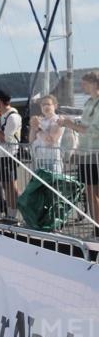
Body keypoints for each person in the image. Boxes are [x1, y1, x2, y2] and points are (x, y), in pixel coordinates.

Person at [60, 70, 99, 235]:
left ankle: (97, 228)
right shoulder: (89, 102)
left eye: (85, 83)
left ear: (95, 84)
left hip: (94, 153)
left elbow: (94, 130)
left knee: (92, 191)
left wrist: (69, 124)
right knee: (90, 191)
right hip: (86, 153)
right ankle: (96, 226)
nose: (82, 85)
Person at [0, 90, 23, 224]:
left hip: (9, 155)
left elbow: (6, 138)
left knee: (11, 186)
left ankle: (13, 215)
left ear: (1, 101)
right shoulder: (2, 116)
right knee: (5, 185)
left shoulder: (13, 116)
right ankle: (10, 213)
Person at [29, 95, 65, 174]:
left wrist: (38, 128)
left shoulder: (59, 120)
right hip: (38, 160)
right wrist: (33, 126)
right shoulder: (40, 120)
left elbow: (50, 141)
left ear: (55, 106)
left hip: (52, 161)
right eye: (43, 104)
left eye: (48, 104)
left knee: (52, 185)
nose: (45, 106)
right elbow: (31, 140)